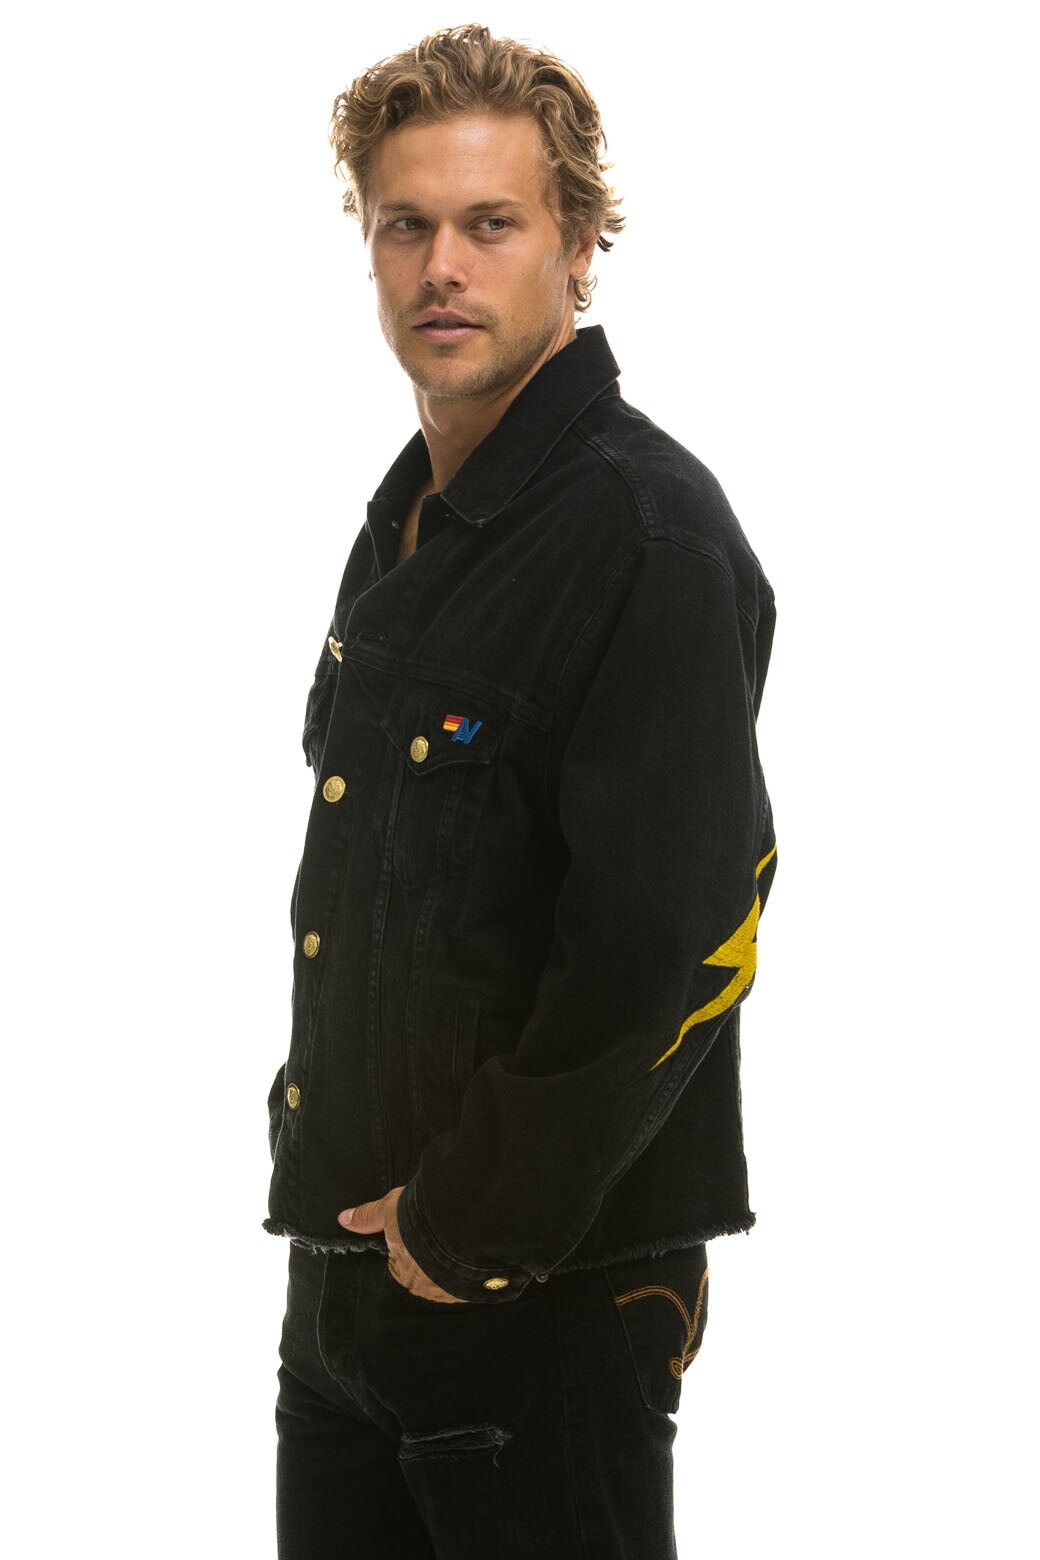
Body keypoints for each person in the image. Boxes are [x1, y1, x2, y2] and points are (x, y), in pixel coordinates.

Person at [266, 24, 776, 1560]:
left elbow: (679, 938)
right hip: (343, 1295)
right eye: (405, 226)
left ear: (580, 244)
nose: (442, 268)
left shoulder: (645, 536)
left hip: (536, 1305)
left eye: (491, 224)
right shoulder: (411, 520)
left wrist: (469, 1227)